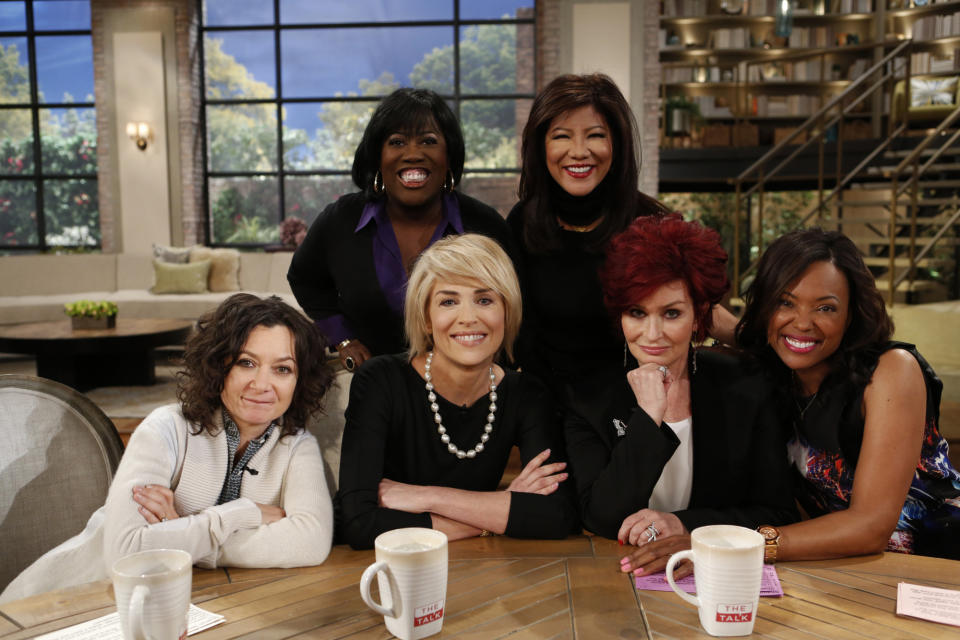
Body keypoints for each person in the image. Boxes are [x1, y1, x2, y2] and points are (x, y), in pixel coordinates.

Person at [1, 294, 335, 602]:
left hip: (188, 604)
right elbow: (125, 553)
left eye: (282, 369)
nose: (262, 384)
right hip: (67, 600)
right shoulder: (164, 428)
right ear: (219, 366)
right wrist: (241, 514)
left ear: (300, 381)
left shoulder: (297, 445)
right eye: (246, 362)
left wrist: (185, 536)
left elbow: (312, 542)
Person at [566, 214, 797, 578]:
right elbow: (602, 517)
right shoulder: (589, 397)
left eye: (671, 313)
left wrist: (683, 525)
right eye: (637, 313)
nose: (652, 334)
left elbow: (777, 512)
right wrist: (648, 415)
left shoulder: (745, 386)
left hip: (718, 572)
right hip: (613, 577)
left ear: (699, 316)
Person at [336, 234, 579, 549]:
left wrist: (428, 497)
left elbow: (558, 515)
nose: (468, 318)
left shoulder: (527, 393)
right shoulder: (380, 381)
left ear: (507, 312)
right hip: (382, 571)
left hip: (486, 569)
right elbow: (360, 524)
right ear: (426, 318)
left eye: (484, 300)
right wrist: (499, 509)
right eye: (448, 301)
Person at [506, 73, 740, 397]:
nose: (578, 151)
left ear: (616, 143)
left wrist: (759, 338)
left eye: (595, 135)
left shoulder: (648, 221)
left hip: (633, 404)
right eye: (561, 136)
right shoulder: (523, 222)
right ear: (540, 145)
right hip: (546, 405)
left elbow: (694, 305)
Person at [735, 228, 960, 561]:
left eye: (825, 309)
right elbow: (725, 324)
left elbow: (869, 527)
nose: (802, 323)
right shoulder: (775, 369)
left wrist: (738, 546)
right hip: (859, 570)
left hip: (943, 564)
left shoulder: (891, 371)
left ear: (851, 314)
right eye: (785, 302)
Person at [288, 88, 512, 372]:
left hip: (465, 390)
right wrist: (343, 339)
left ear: (449, 156)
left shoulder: (484, 225)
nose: (413, 154)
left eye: (429, 141)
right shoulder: (340, 220)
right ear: (377, 157)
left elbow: (515, 308)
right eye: (397, 142)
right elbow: (304, 279)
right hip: (374, 387)